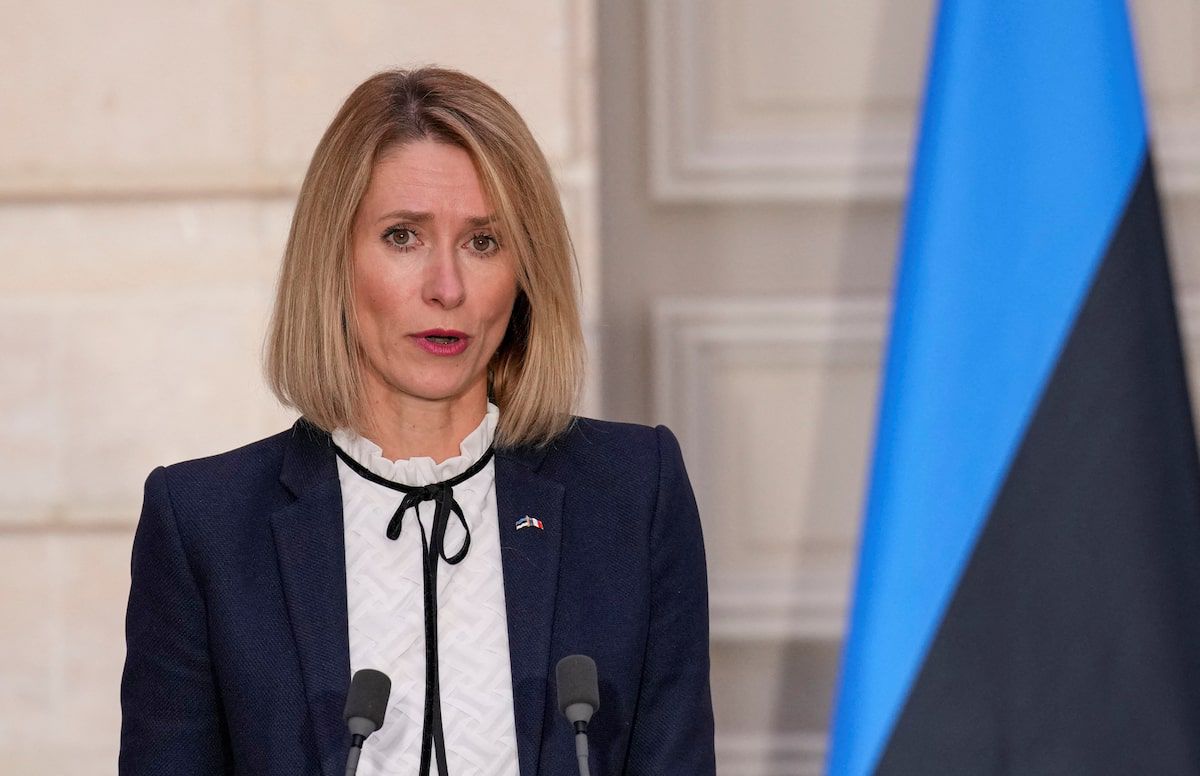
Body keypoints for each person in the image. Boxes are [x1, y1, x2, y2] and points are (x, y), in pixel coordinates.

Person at [119, 67, 714, 776]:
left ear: (525, 274)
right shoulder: (205, 527)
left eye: (483, 242)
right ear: (333, 260)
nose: (447, 288)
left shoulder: (633, 494)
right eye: (403, 237)